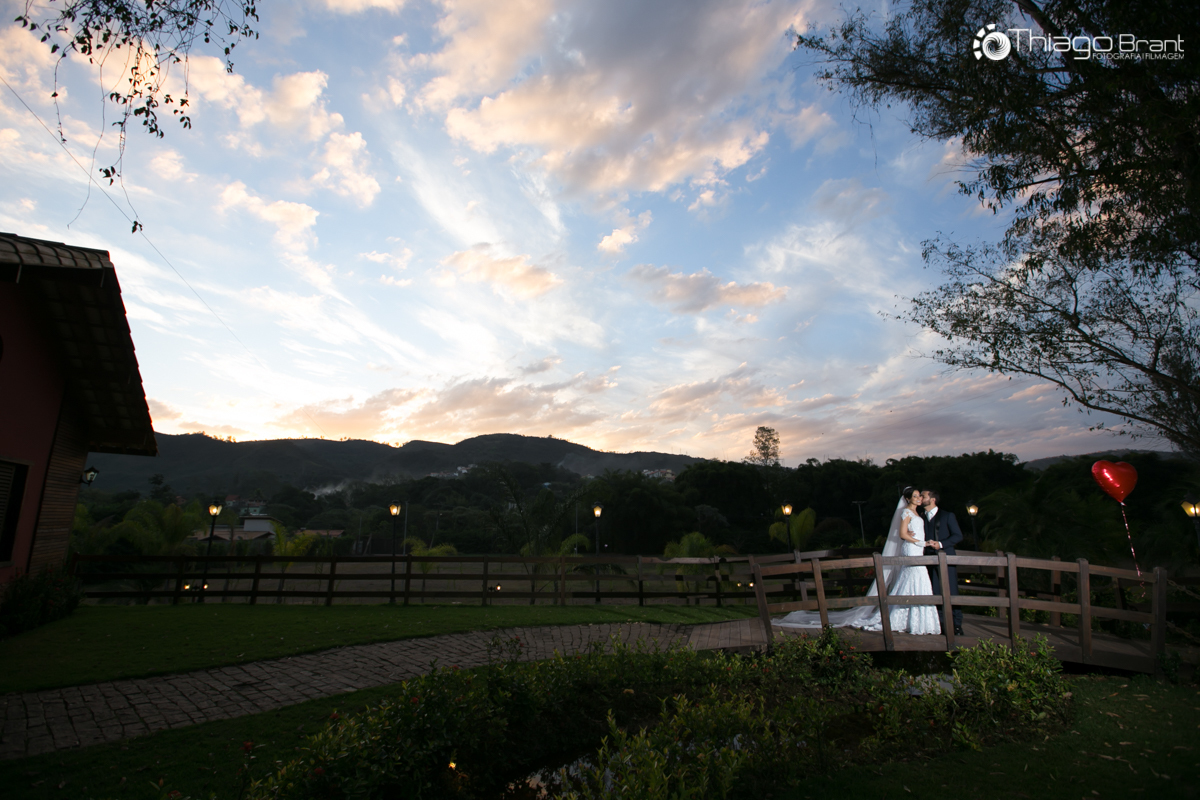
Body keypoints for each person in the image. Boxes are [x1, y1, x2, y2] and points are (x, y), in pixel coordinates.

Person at [775, 486, 940, 635]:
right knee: (912, 577)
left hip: (918, 549)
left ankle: (917, 620)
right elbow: (903, 534)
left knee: (918, 580)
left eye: (920, 496)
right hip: (912, 549)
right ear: (908, 499)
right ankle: (900, 617)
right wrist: (920, 542)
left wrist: (920, 541)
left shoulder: (919, 513)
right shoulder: (906, 512)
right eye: (916, 496)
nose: (919, 498)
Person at [921, 489, 964, 636]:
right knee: (934, 591)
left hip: (946, 559)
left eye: (923, 496)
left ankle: (957, 624)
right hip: (928, 560)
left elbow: (958, 536)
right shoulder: (921, 517)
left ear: (932, 499)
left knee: (951, 591)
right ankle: (940, 623)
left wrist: (941, 544)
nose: (921, 498)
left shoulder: (947, 516)